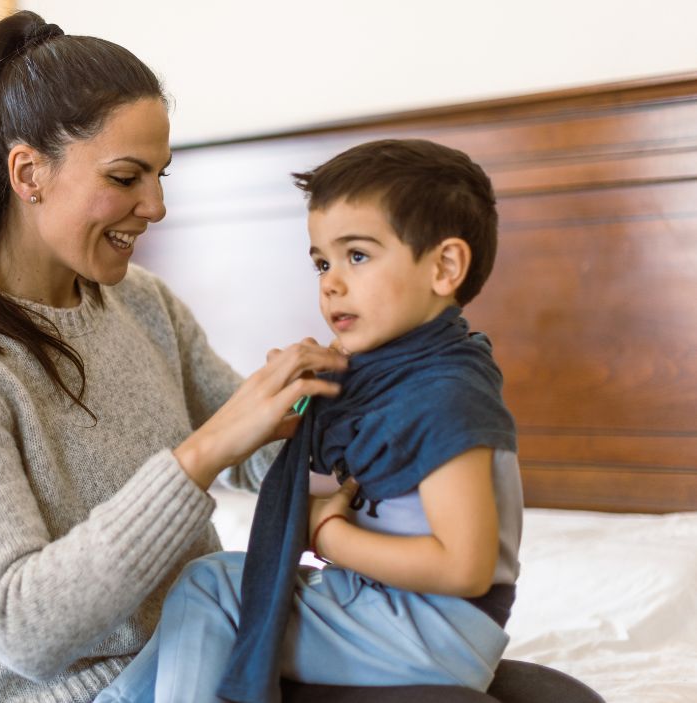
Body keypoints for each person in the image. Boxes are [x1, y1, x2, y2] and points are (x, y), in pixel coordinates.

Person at [0, 10, 348, 703]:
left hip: (207, 649)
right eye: (127, 176)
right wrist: (201, 453)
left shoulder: (141, 302)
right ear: (28, 172)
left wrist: (358, 426)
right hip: (73, 691)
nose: (156, 206)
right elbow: (23, 626)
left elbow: (257, 453)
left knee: (535, 690)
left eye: (161, 175)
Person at [95, 138, 523, 703]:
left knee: (210, 585)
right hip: (393, 610)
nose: (331, 282)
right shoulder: (382, 380)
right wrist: (303, 413)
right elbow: (327, 488)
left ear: (444, 266)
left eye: (358, 256)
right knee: (222, 585)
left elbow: (463, 567)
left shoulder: (445, 394)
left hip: (434, 629)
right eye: (322, 261)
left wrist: (329, 536)